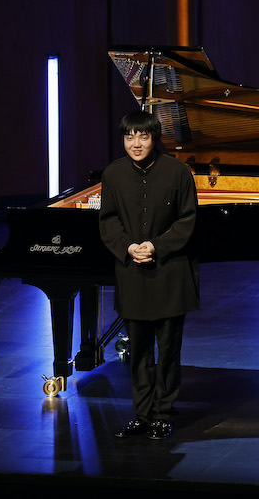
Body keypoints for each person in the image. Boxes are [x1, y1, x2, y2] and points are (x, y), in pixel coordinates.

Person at [99, 110, 200, 440]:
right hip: (132, 273)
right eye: (129, 137)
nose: (136, 143)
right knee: (138, 350)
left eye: (143, 137)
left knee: (168, 349)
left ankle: (163, 413)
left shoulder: (178, 172)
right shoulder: (113, 174)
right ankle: (141, 415)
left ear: (154, 138)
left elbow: (187, 221)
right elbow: (108, 221)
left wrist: (155, 246)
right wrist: (128, 247)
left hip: (169, 273)